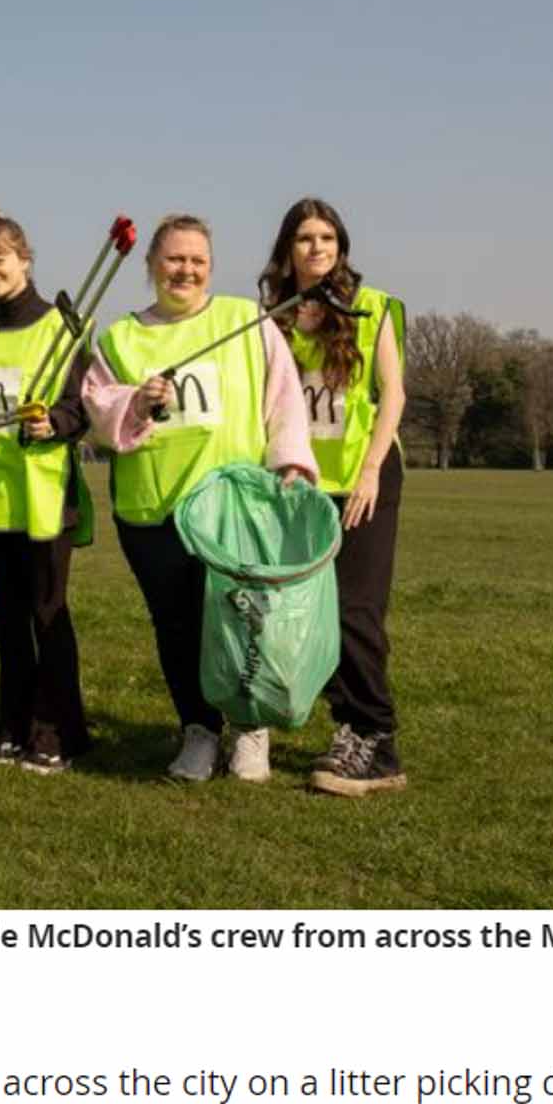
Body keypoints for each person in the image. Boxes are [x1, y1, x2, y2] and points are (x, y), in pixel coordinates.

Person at [83, 214, 315, 783]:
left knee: (242, 624)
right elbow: (97, 407)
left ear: (210, 267)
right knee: (177, 625)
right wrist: (136, 403)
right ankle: (198, 729)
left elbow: (283, 394)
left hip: (233, 509)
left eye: (197, 261)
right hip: (154, 509)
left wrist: (290, 460)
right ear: (151, 266)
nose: (185, 270)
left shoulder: (245, 321)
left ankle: (249, 729)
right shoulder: (121, 336)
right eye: (173, 259)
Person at [260, 198, 409, 797]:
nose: (317, 248)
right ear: (287, 250)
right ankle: (349, 730)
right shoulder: (273, 317)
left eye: (327, 238)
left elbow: (393, 394)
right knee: (316, 618)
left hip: (364, 479)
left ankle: (376, 739)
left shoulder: (375, 308)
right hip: (301, 485)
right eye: (304, 238)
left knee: (356, 611)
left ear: (341, 247)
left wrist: (372, 469)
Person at [0, 203, 92, 774]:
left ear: (24, 259)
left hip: (43, 497)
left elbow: (81, 409)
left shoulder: (60, 328)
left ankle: (57, 730)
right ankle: (12, 723)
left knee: (46, 614)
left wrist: (53, 422)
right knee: (4, 618)